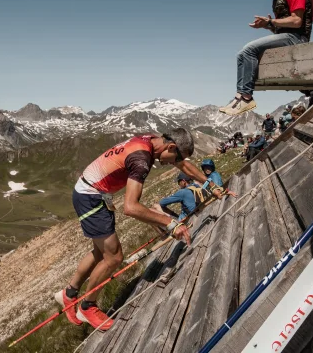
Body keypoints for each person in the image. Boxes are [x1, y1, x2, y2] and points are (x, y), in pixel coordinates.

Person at [55, 128, 233, 331]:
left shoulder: (152, 141)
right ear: (171, 146)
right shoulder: (141, 159)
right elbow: (130, 207)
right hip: (91, 196)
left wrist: (209, 184)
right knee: (113, 257)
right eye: (174, 157)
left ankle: (69, 294)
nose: (171, 164)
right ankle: (87, 307)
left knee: (100, 252)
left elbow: (184, 164)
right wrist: (170, 222)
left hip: (90, 191)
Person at [220, 0, 312, 116]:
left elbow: (296, 21)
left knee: (249, 50)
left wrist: (271, 22)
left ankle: (246, 98)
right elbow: (280, 28)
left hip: (297, 38)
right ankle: (239, 97)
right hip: (286, 36)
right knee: (241, 54)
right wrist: (267, 26)